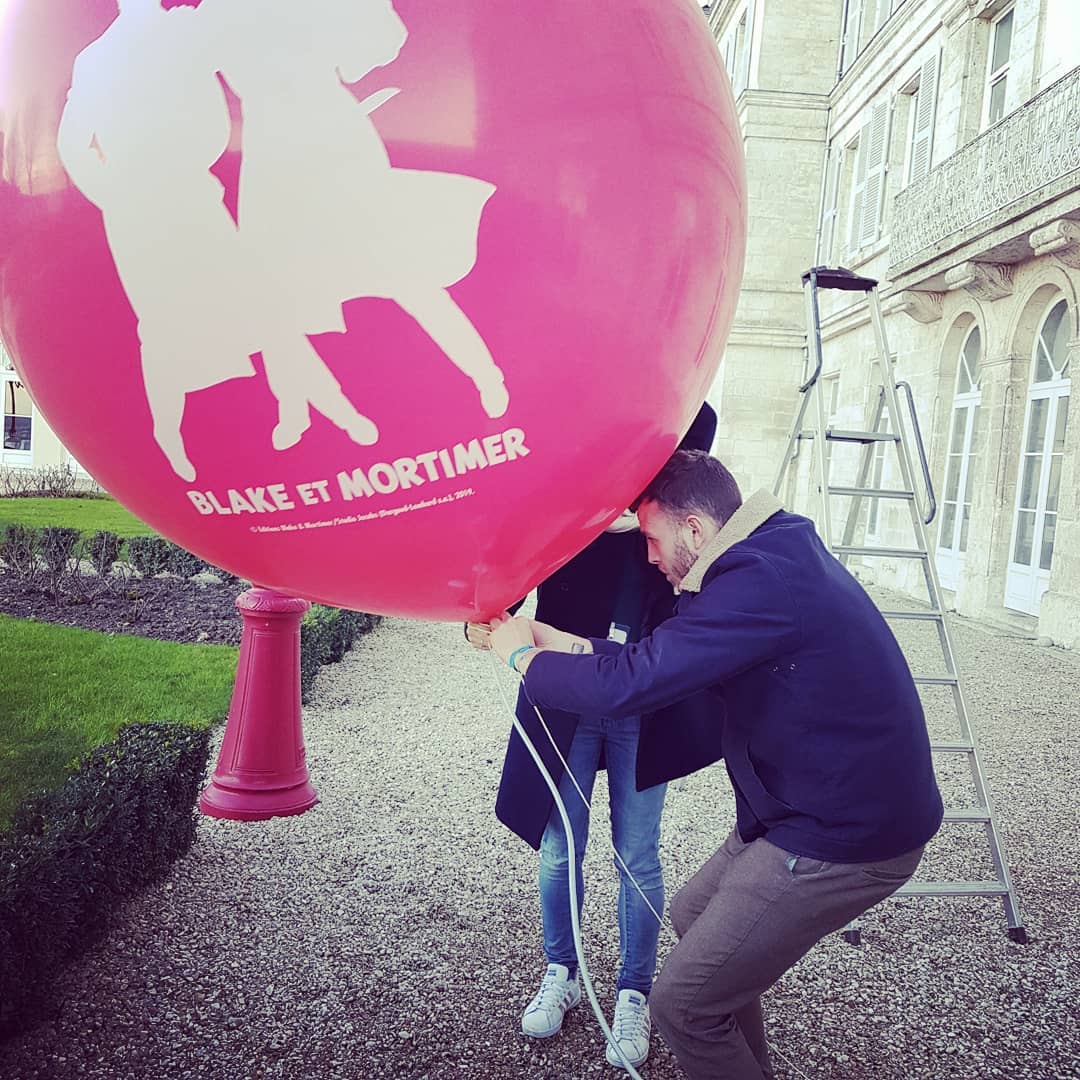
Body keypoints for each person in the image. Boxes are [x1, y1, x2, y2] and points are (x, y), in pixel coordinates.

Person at [489, 450, 943, 1080]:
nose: (646, 556)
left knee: (683, 1006)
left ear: (695, 532)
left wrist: (522, 663)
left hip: (843, 833)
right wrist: (541, 638)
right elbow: (655, 658)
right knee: (691, 916)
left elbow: (633, 683)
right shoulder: (766, 556)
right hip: (794, 810)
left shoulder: (755, 584)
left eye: (650, 537)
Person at [470, 406, 720, 1070]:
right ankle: (563, 970)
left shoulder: (659, 496)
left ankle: (633, 989)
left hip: (643, 698)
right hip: (563, 699)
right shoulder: (559, 496)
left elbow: (703, 419)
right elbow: (504, 573)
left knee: (637, 855)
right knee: (559, 847)